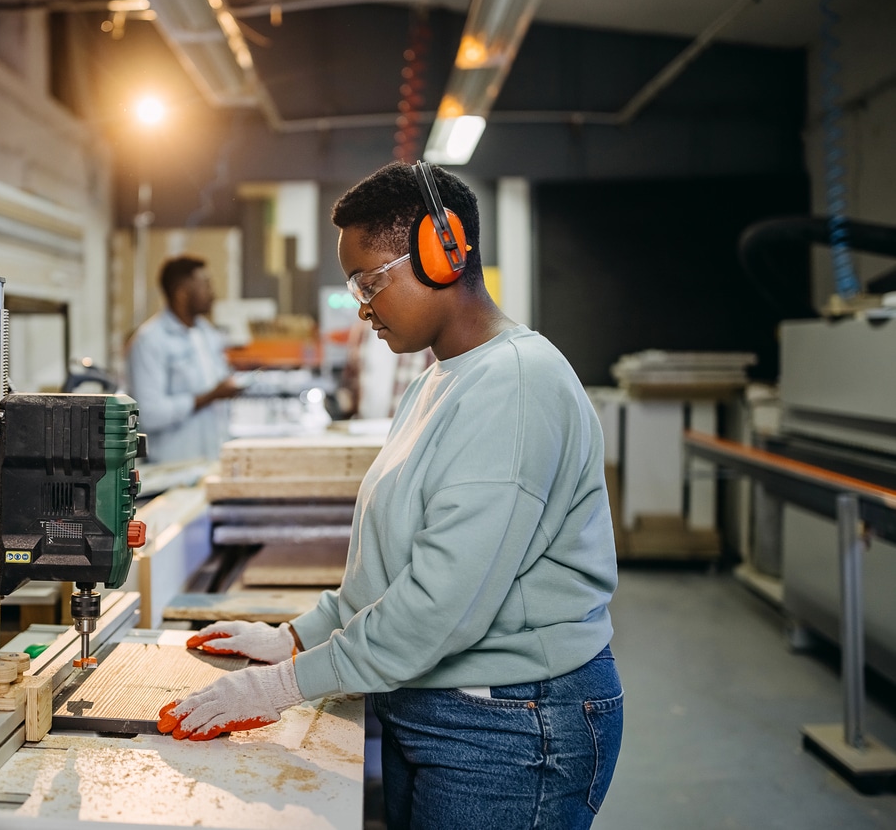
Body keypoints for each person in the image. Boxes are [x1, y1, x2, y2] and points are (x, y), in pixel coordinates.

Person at [157, 162, 622, 829]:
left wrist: (281, 686)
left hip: (512, 725)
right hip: (441, 703)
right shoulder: (439, 379)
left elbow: (439, 607)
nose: (361, 305)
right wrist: (292, 638)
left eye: (369, 282)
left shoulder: (514, 384)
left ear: (444, 253)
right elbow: (392, 567)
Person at [126, 255, 241, 464]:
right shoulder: (150, 341)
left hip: (212, 463)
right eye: (205, 285)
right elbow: (148, 414)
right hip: (173, 472)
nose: (213, 293)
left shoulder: (206, 333)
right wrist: (209, 397)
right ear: (181, 293)